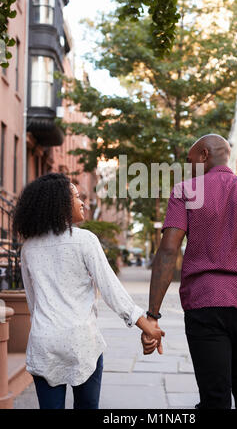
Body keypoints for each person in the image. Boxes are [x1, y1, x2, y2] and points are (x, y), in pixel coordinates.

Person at [141, 133, 237, 409]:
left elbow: (168, 251)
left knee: (214, 396)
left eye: (190, 161)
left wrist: (152, 315)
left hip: (204, 304)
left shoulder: (185, 191)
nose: (189, 169)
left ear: (204, 155)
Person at [13, 173, 164, 410]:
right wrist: (147, 327)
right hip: (82, 342)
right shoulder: (84, 240)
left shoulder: (28, 248)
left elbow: (34, 303)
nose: (83, 202)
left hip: (44, 344)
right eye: (75, 196)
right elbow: (111, 289)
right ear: (59, 203)